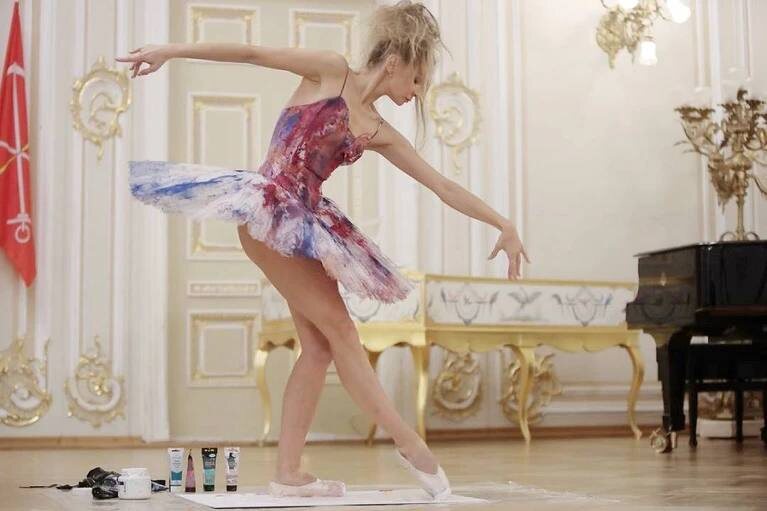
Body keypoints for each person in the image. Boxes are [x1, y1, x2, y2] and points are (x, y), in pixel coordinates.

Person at [117, 0, 528, 500]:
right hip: (269, 209)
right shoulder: (330, 71)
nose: (417, 92)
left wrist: (502, 223)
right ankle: (409, 444)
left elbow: (442, 185)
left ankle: (288, 473)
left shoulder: (378, 129)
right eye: (418, 79)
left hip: (307, 224)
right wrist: (170, 50)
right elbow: (251, 53)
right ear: (394, 61)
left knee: (319, 347)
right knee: (342, 331)